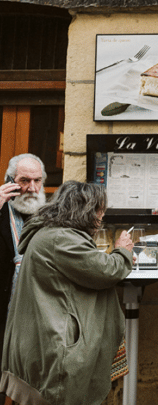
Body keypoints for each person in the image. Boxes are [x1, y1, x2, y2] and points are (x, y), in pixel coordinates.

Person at [0, 181, 134, 405]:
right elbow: (106, 270)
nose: (102, 216)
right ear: (85, 210)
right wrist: (123, 251)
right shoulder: (60, 238)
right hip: (55, 345)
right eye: (100, 209)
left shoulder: (53, 233)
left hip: (43, 340)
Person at [0, 154, 46, 361]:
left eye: (37, 181)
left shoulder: (49, 217)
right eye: (24, 181)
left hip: (35, 314)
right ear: (10, 182)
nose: (33, 188)